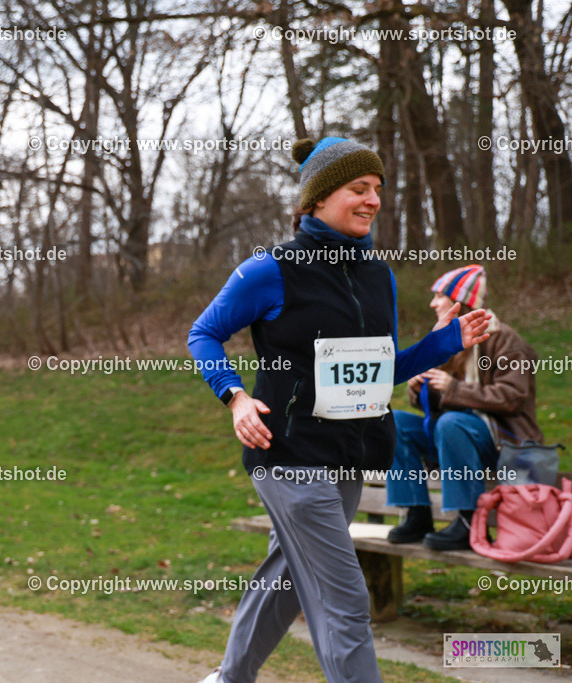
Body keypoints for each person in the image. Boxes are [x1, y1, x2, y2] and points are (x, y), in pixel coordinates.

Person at [187, 137, 491, 683]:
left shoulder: (379, 275)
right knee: (345, 599)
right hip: (286, 452)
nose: (373, 199)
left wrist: (446, 341)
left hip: (352, 455)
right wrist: (234, 397)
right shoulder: (271, 269)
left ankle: (229, 678)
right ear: (319, 198)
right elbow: (204, 333)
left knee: (285, 575)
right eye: (358, 188)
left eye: (377, 189)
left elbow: (385, 367)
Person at [385, 265, 543, 550]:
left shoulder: (507, 341)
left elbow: (513, 397)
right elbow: (439, 404)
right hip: (457, 436)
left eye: (439, 296)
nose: (433, 303)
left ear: (461, 302)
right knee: (392, 421)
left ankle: (468, 521)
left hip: (505, 444)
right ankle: (417, 512)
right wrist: (420, 387)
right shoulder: (450, 340)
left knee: (453, 423)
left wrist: (452, 387)